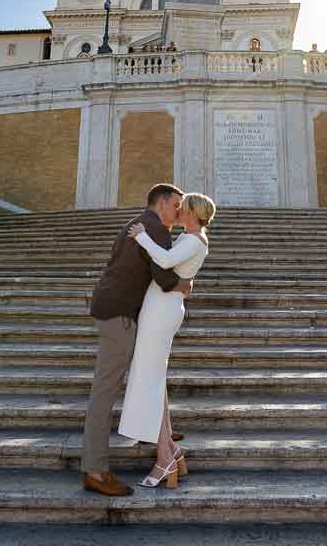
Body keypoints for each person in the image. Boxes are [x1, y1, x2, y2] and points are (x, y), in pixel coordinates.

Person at [81, 183, 192, 496]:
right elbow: (164, 277)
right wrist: (185, 284)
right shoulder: (155, 228)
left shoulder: (136, 224)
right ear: (161, 204)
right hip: (119, 315)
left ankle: (163, 432)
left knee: (151, 371)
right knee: (104, 392)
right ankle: (94, 469)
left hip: (113, 308)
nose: (179, 212)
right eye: (176, 206)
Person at [119, 192, 216, 488]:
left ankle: (165, 459)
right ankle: (171, 452)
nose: (178, 211)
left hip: (163, 309)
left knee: (150, 377)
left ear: (192, 213)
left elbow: (163, 260)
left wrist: (141, 236)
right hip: (160, 306)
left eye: (181, 208)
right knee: (152, 377)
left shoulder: (193, 241)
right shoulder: (191, 238)